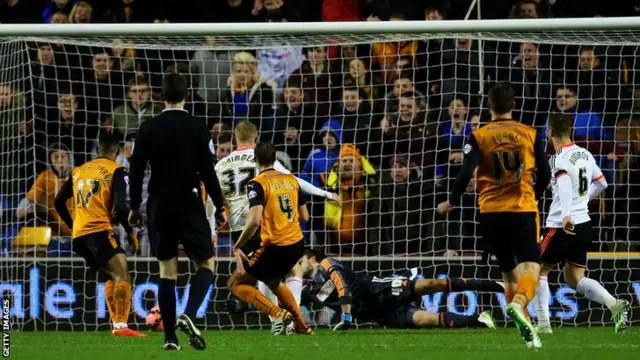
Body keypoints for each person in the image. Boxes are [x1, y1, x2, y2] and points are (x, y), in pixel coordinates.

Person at [437, 83, 551, 348]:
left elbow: (465, 173)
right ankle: (520, 305)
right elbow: (545, 173)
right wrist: (534, 192)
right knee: (531, 267)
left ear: (489, 107)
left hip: (489, 212)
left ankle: (527, 329)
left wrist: (451, 202)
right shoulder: (529, 133)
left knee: (508, 271)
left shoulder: (479, 135)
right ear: (513, 106)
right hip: (521, 209)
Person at [127, 73, 226, 351]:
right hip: (189, 201)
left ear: (161, 97)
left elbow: (135, 171)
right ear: (187, 96)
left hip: (159, 204)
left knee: (167, 271)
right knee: (207, 263)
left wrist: (134, 206)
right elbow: (208, 170)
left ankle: (170, 338)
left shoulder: (147, 128)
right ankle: (190, 315)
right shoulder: (197, 127)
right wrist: (219, 205)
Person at [216, 120, 338, 329]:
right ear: (256, 138)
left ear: (236, 139)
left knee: (252, 280)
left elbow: (213, 201)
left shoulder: (219, 165)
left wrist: (213, 228)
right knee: (276, 276)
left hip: (241, 231)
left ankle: (279, 318)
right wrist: (326, 193)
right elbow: (295, 182)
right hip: (270, 228)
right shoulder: (263, 162)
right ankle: (288, 321)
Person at [533, 114, 630, 334]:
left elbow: (565, 182)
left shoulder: (558, 158)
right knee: (575, 278)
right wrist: (581, 202)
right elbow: (602, 182)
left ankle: (543, 325)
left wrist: (567, 213)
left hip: (561, 225)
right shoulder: (585, 154)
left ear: (550, 133)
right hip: (585, 223)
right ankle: (613, 303)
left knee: (539, 269)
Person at [53, 132, 144, 337]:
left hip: (79, 236)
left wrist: (73, 225)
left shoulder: (79, 170)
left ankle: (117, 324)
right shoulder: (117, 170)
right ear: (118, 151)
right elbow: (121, 208)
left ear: (97, 149)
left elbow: (58, 201)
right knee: (122, 275)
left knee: (112, 274)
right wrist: (131, 233)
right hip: (98, 231)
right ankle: (121, 326)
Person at [226, 142, 313, 335]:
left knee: (235, 283)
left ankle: (277, 313)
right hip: (297, 244)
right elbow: (305, 216)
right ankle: (301, 325)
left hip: (275, 245)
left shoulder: (257, 183)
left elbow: (254, 221)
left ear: (255, 160)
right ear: (275, 158)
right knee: (273, 281)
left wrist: (238, 246)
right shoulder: (291, 180)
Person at [299, 248, 500, 330]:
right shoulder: (308, 289)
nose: (297, 266)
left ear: (312, 259)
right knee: (425, 319)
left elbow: (342, 286)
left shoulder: (326, 264)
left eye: (300, 261)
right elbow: (291, 302)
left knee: (432, 284)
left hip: (377, 289)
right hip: (375, 312)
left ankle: (495, 286)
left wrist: (345, 318)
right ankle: (481, 320)